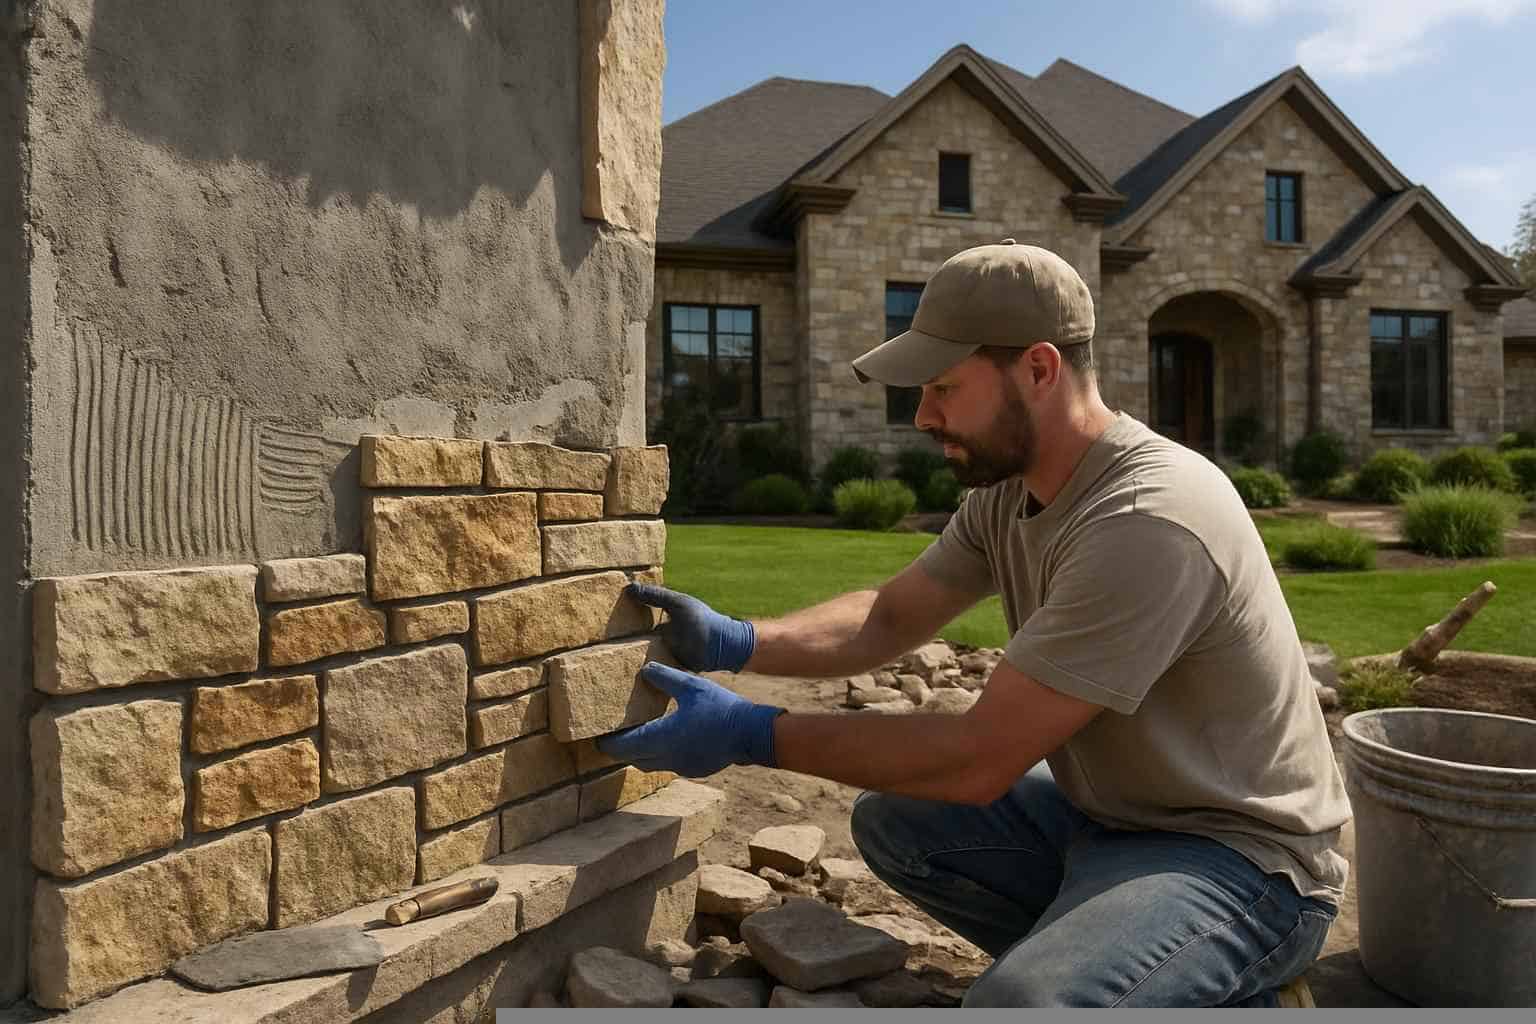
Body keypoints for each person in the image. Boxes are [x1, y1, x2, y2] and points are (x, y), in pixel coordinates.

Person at [599, 240, 1351, 1008]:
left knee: (1016, 1005)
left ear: (1038, 368)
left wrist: (749, 734)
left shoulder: (1149, 518)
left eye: (945, 387)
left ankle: (1195, 975)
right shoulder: (1009, 493)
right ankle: (1143, 969)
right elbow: (890, 615)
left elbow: (977, 759)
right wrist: (738, 640)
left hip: (1246, 862)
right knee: (900, 822)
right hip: (1113, 823)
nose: (924, 415)